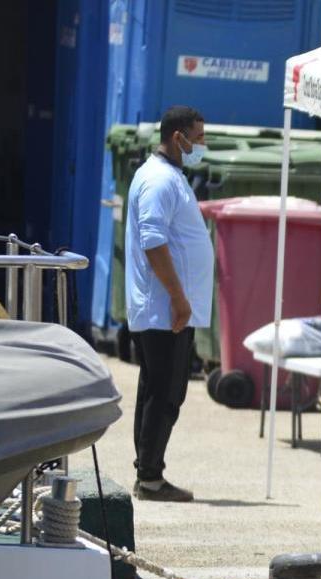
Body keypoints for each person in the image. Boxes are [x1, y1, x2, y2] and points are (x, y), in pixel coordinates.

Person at [124, 105, 213, 502]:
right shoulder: (159, 180)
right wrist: (178, 298)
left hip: (166, 308)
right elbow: (154, 242)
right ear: (178, 137)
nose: (202, 145)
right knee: (165, 392)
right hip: (165, 309)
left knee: (156, 389)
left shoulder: (169, 176)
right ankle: (150, 478)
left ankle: (147, 471)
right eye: (198, 137)